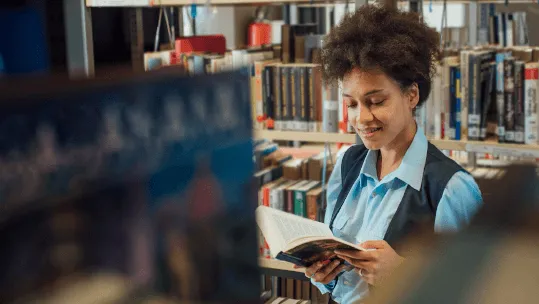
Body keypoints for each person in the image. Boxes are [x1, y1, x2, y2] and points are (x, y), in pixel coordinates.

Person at [298, 5, 483, 303]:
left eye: (376, 101)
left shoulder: (451, 188)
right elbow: (337, 274)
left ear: (411, 95)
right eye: (352, 104)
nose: (362, 118)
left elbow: (479, 291)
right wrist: (325, 277)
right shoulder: (347, 164)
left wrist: (404, 274)